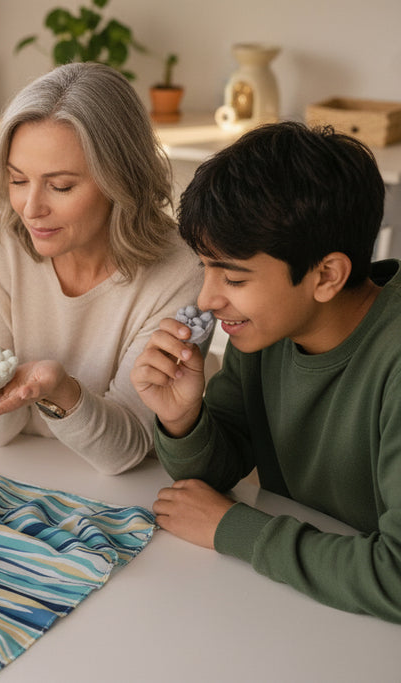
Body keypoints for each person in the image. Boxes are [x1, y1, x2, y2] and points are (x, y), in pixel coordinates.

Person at [131, 121, 401, 622]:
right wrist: (184, 419)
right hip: (306, 608)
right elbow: (216, 476)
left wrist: (236, 529)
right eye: (205, 269)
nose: (208, 299)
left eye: (233, 276)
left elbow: (397, 577)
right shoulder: (270, 330)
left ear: (326, 275)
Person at [0, 62, 202, 475]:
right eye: (18, 180)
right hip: (16, 474)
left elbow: (126, 450)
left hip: (125, 494)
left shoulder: (181, 269)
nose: (31, 209)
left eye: (61, 186)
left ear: (120, 181)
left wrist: (62, 392)